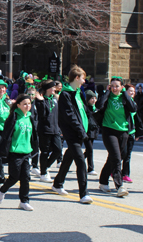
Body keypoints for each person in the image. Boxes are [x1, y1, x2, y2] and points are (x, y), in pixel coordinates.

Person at [51, 66, 93, 204]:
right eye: (83, 77)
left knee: (69, 157)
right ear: (76, 78)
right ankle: (83, 194)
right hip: (72, 132)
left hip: (80, 132)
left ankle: (58, 183)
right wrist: (81, 131)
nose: (84, 80)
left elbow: (84, 111)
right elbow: (70, 116)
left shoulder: (79, 93)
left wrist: (91, 124)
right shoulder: (66, 95)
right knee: (80, 161)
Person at [95, 76, 137, 197]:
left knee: (119, 155)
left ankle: (103, 181)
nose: (114, 88)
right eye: (112, 86)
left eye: (117, 86)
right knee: (116, 157)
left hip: (123, 130)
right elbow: (99, 105)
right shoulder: (107, 97)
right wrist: (107, 92)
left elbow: (133, 108)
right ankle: (119, 186)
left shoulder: (124, 97)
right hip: (109, 130)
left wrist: (125, 94)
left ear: (122, 87)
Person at [0, 94, 39, 211]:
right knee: (14, 177)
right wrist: (3, 151)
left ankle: (24, 201)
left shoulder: (30, 117)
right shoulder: (13, 117)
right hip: (15, 152)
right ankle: (2, 190)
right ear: (18, 105)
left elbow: (33, 136)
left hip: (27, 152)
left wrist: (35, 148)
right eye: (24, 104)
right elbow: (6, 135)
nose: (27, 106)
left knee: (26, 177)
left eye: (29, 103)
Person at [34, 81, 61, 183]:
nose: (54, 89)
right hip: (45, 129)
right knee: (44, 152)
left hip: (55, 129)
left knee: (58, 150)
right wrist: (41, 102)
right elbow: (43, 114)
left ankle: (45, 166)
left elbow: (58, 114)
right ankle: (43, 173)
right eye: (52, 87)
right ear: (47, 89)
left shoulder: (55, 99)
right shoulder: (40, 100)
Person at [121, 84, 143, 183]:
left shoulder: (133, 103)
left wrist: (138, 133)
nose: (132, 93)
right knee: (121, 154)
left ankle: (125, 174)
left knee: (128, 155)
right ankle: (112, 169)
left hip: (132, 132)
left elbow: (136, 119)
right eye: (130, 91)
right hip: (123, 131)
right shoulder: (122, 102)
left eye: (133, 91)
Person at [83, 90, 99, 176]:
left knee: (88, 150)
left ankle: (79, 158)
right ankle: (90, 168)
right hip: (87, 131)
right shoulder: (85, 108)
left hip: (93, 131)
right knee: (90, 150)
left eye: (95, 98)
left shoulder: (96, 109)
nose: (94, 100)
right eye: (92, 98)